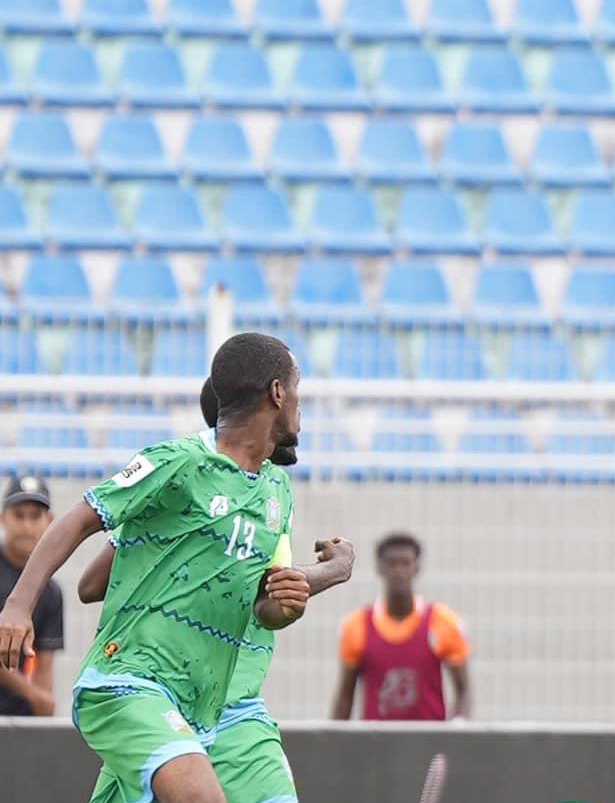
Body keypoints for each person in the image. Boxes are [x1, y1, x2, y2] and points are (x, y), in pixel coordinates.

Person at [0, 332, 311, 803]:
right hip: (129, 683)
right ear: (277, 392)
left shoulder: (276, 494)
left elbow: (262, 605)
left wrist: (291, 600)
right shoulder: (178, 462)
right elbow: (80, 521)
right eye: (298, 387)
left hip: (204, 706)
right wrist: (19, 605)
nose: (301, 402)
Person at [77, 377, 355, 803]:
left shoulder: (274, 494)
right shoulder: (189, 485)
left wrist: (319, 579)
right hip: (165, 685)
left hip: (233, 703)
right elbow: (91, 585)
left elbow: (269, 595)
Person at [332, 532, 471, 721]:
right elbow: (345, 697)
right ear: (380, 568)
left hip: (429, 744)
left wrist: (456, 730)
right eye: (392, 563)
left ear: (417, 568)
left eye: (406, 563)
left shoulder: (443, 622)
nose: (399, 571)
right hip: (376, 745)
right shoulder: (357, 626)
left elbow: (463, 691)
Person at [0, 475, 63, 716]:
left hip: (18, 717)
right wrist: (33, 694)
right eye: (19, 515)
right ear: (2, 519)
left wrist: (43, 708)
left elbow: (45, 665)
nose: (27, 526)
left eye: (35, 516)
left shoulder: (51, 591)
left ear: (50, 521)